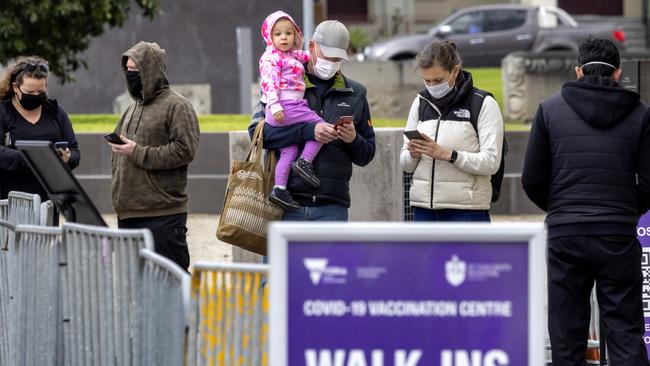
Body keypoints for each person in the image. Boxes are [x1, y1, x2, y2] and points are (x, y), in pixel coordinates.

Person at [522, 37, 650, 365]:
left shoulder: (549, 110)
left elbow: (532, 179)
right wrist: (625, 211)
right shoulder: (640, 114)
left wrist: (562, 208)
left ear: (578, 70)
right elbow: (649, 183)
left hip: (566, 235)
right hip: (617, 235)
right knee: (624, 330)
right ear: (618, 72)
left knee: (567, 334)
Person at [249, 20, 375, 221]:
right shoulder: (283, 82)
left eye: (337, 58)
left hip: (332, 207)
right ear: (311, 47)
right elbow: (257, 135)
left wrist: (353, 139)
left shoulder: (356, 93)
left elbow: (367, 154)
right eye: (327, 55)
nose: (331, 62)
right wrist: (308, 132)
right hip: (285, 206)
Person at [108, 42, 200, 271]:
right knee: (138, 290)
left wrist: (137, 152)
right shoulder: (131, 109)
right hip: (129, 213)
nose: (130, 75)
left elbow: (185, 150)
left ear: (151, 70)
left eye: (135, 70)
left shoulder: (178, 107)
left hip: (163, 214)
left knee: (171, 284)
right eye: (127, 69)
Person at [400, 41, 503, 222]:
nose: (431, 86)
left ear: (455, 71)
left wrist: (448, 154)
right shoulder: (420, 102)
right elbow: (406, 165)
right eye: (426, 80)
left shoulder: (483, 103)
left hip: (466, 211)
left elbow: (492, 162)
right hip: (423, 210)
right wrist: (413, 153)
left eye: (438, 80)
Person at [0, 56, 80, 224]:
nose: (36, 96)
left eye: (40, 91)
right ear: (15, 87)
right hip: (9, 201)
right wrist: (33, 157)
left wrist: (66, 158)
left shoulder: (56, 113)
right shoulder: (4, 112)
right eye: (30, 92)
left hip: (47, 201)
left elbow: (75, 151)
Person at [259, 10, 325, 210]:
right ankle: (305, 161)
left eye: (289, 33)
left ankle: (279, 188)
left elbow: (307, 56)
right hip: (285, 107)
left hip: (285, 109)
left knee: (289, 149)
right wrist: (275, 104)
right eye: (278, 34)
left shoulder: (291, 55)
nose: (284, 37)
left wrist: (316, 51)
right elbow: (268, 83)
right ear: (269, 37)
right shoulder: (271, 58)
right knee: (320, 126)